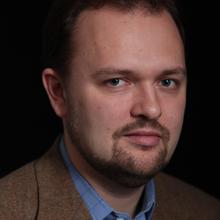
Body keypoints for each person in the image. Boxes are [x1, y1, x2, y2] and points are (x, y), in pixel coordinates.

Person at [1, 0, 220, 219]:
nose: (151, 109)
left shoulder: (207, 211)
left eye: (167, 82)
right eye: (116, 81)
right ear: (58, 92)